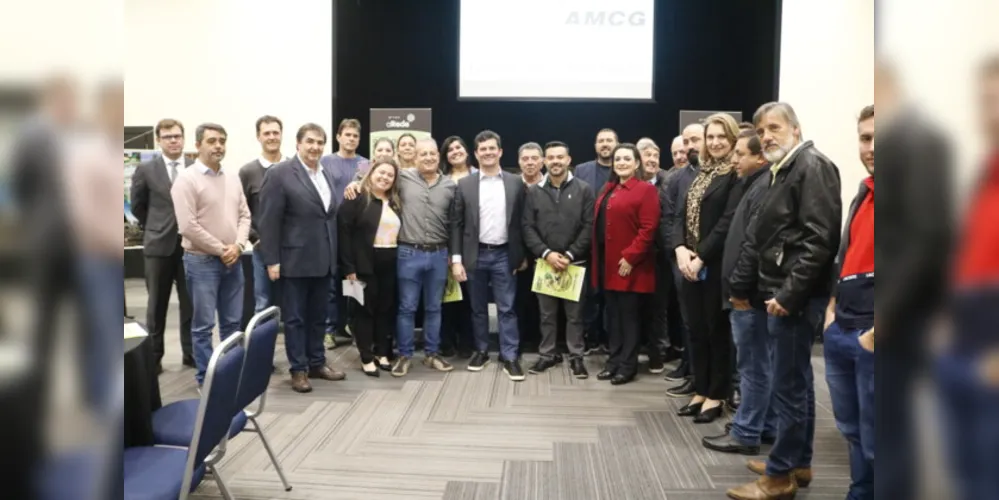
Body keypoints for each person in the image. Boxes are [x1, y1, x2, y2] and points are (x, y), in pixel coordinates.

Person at [727, 102, 842, 500]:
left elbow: (820, 240)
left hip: (792, 298)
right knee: (796, 382)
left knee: (787, 385)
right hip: (784, 294)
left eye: (774, 127)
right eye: (762, 130)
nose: (767, 135)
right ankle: (797, 461)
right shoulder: (786, 168)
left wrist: (788, 295)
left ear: (795, 128)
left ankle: (778, 478)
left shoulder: (812, 166)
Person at [344, 137, 458, 377]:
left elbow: (456, 223)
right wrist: (353, 184)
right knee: (405, 308)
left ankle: (431, 353)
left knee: (434, 308)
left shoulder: (450, 186)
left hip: (438, 253)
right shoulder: (403, 176)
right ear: (414, 158)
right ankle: (405, 355)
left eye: (432, 154)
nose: (428, 158)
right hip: (408, 252)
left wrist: (454, 256)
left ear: (439, 156)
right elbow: (371, 173)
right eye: (422, 154)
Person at [260, 123, 347, 393]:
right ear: (298, 144)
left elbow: (328, 216)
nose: (315, 147)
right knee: (296, 319)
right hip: (293, 261)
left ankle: (317, 362)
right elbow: (268, 221)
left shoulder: (326, 173)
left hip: (323, 260)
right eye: (310, 141)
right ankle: (298, 369)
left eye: (320, 142)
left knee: (319, 316)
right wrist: (272, 260)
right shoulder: (280, 174)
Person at [703, 129, 774, 454]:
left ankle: (746, 433)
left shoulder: (762, 188)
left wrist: (738, 288)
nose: (734, 159)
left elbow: (752, 244)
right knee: (758, 363)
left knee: (752, 365)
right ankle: (765, 424)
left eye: (740, 154)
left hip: (747, 294)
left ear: (759, 157)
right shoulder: (752, 185)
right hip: (746, 292)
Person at [821, 105, 876, 500]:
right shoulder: (864, 193)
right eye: (865, 137)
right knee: (854, 431)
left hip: (875, 335)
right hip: (842, 328)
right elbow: (846, 258)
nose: (871, 147)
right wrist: (830, 313)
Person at [672, 114, 740, 423]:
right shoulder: (700, 173)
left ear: (732, 138)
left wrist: (701, 256)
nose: (714, 143)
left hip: (715, 265)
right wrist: (680, 249)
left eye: (720, 137)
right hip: (690, 263)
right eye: (710, 137)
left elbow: (727, 223)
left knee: (717, 331)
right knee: (696, 330)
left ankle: (717, 393)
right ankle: (700, 389)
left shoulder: (735, 175)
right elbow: (679, 216)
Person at [170, 123, 251, 386]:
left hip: (233, 260)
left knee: (232, 324)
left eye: (222, 141)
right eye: (212, 141)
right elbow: (187, 226)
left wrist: (237, 246)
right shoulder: (186, 179)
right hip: (201, 261)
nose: (218, 146)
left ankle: (230, 376)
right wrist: (222, 249)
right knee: (203, 327)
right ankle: (207, 379)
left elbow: (244, 215)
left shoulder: (233, 177)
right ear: (198, 145)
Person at [451, 130, 528, 381]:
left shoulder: (515, 182)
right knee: (477, 308)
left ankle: (510, 356)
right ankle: (481, 350)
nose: (487, 153)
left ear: (500, 152)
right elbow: (456, 225)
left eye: (492, 148)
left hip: (505, 254)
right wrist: (456, 260)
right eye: (482, 149)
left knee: (507, 308)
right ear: (476, 154)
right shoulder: (465, 184)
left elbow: (522, 222)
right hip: (475, 254)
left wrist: (522, 255)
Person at [522, 141, 594, 379]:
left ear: (568, 159)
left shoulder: (584, 189)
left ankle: (576, 357)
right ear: (544, 162)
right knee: (547, 315)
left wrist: (570, 254)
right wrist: (547, 253)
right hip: (545, 264)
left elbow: (588, 226)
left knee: (575, 316)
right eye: (551, 157)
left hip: (575, 264)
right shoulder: (534, 192)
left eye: (559, 157)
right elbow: (527, 227)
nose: (555, 161)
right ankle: (547, 355)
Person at [592, 143, 660, 385]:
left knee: (629, 318)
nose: (620, 162)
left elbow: (648, 228)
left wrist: (631, 257)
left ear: (637, 163)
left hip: (630, 265)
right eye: (617, 159)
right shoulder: (608, 188)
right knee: (614, 317)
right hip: (608, 265)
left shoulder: (645, 190)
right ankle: (614, 361)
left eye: (626, 159)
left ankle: (628, 366)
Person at [129, 118, 195, 372]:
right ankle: (154, 356)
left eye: (177, 136)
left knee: (191, 303)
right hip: (158, 245)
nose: (174, 140)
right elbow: (137, 206)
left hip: (191, 246)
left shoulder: (193, 167)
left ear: (184, 138)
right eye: (168, 137)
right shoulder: (147, 170)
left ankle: (190, 353)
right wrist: (155, 227)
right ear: (159, 140)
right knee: (157, 304)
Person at [338, 157, 403, 377]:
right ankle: (366, 357)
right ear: (371, 172)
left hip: (390, 261)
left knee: (385, 309)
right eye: (381, 173)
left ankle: (382, 352)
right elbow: (344, 233)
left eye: (390, 175)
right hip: (362, 263)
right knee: (363, 311)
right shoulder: (356, 197)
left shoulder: (395, 201)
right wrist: (348, 267)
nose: (385, 178)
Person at [661, 124, 705, 396]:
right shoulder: (676, 178)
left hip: (711, 259)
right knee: (688, 320)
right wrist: (678, 249)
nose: (690, 146)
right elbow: (669, 219)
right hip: (681, 259)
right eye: (686, 141)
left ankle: (711, 381)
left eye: (695, 139)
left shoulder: (723, 174)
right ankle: (691, 371)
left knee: (709, 324)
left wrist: (703, 253)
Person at [322, 118, 368, 348]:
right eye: (347, 134)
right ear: (339, 136)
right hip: (330, 229)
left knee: (354, 280)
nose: (351, 139)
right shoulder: (325, 162)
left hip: (356, 233)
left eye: (355, 136)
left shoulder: (365, 165)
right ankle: (330, 329)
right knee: (331, 281)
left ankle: (352, 324)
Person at [575, 128, 619, 355]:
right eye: (601, 141)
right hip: (588, 243)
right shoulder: (582, 170)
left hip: (615, 246)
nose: (605, 144)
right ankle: (591, 338)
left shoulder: (623, 169)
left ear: (617, 144)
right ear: (595, 146)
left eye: (609, 141)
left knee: (612, 296)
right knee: (590, 295)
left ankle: (610, 339)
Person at [239, 115, 285, 313]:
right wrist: (254, 239)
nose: (272, 137)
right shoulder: (248, 172)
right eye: (267, 133)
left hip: (291, 248)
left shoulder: (293, 168)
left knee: (293, 302)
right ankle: (263, 344)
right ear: (258, 137)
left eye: (276, 132)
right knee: (263, 303)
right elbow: (240, 210)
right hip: (262, 249)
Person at [439, 135, 477, 358]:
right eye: (450, 149)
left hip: (472, 244)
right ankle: (446, 341)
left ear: (466, 150)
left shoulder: (478, 176)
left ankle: (467, 342)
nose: (455, 151)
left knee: (470, 296)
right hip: (444, 243)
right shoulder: (441, 179)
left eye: (459, 147)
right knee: (446, 297)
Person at [515, 142, 544, 353]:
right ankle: (523, 340)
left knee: (545, 302)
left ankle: (544, 341)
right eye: (525, 159)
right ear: (519, 162)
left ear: (542, 161)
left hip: (547, 253)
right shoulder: (512, 185)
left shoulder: (551, 184)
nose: (530, 162)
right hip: (521, 254)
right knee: (521, 299)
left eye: (534, 158)